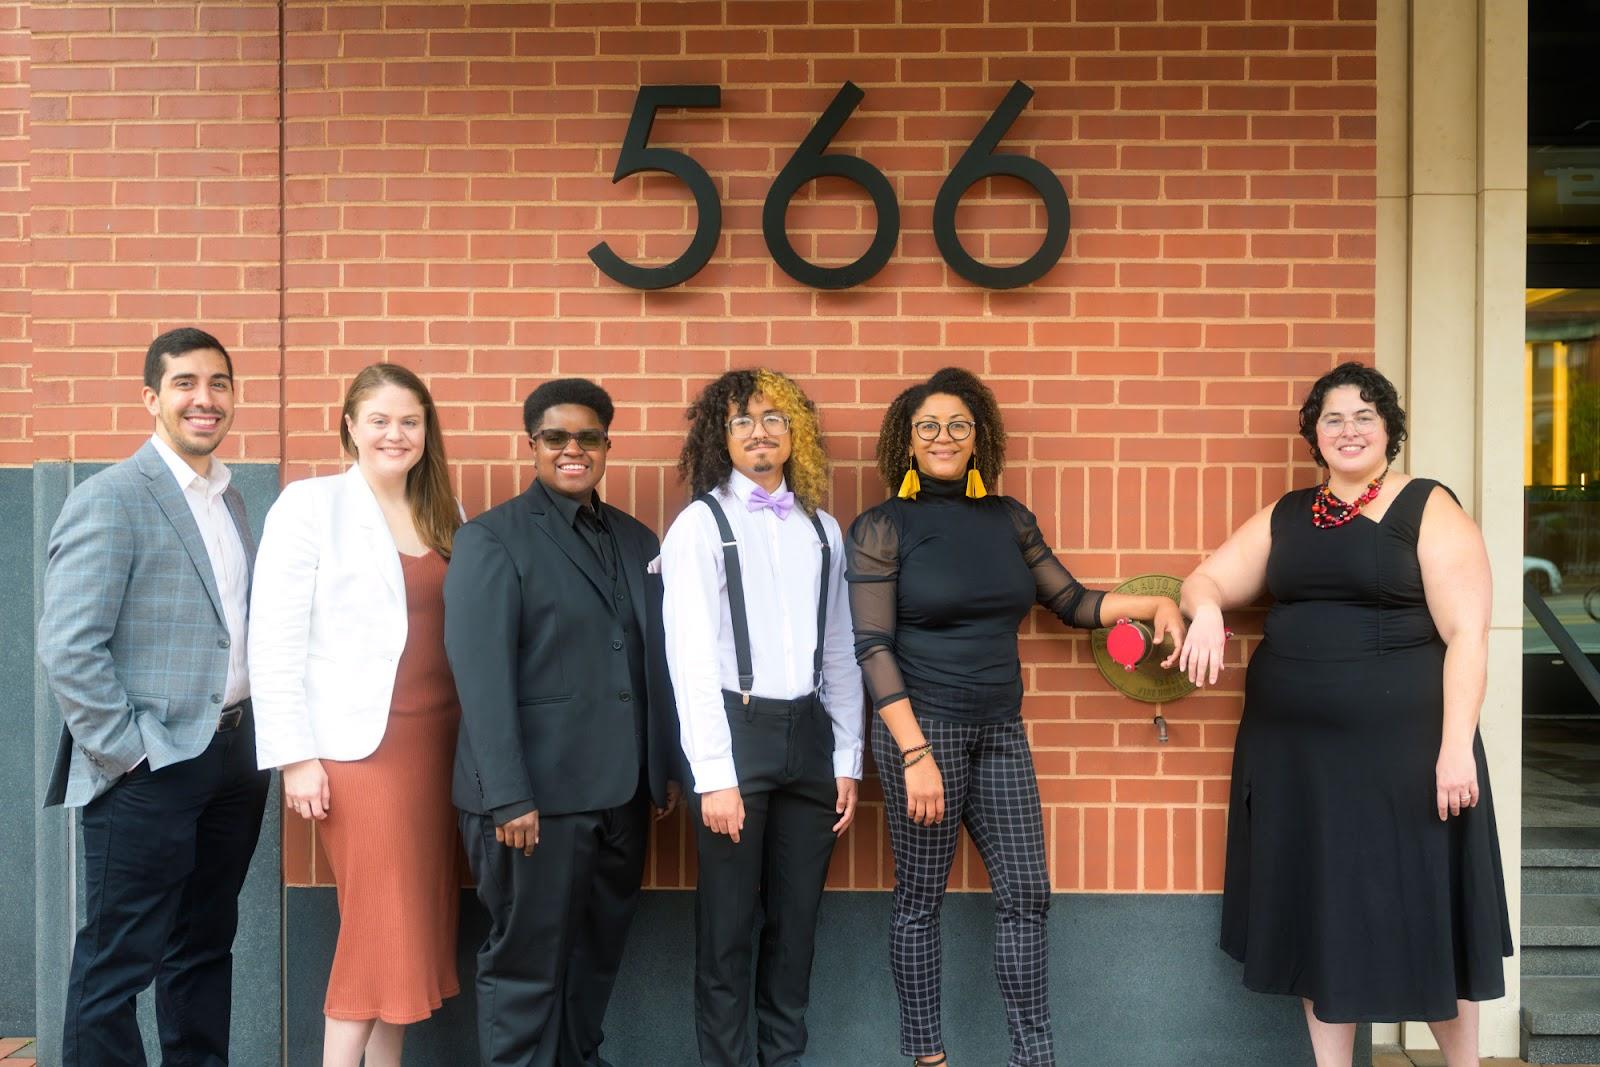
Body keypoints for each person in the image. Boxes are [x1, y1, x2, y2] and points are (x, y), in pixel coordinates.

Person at [847, 366, 1185, 1067]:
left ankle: (1033, 1058)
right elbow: (872, 645)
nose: (944, 437)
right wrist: (913, 753)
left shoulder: (1009, 518)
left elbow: (1073, 603)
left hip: (1000, 730)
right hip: (924, 731)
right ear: (907, 441)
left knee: (1028, 893)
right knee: (921, 900)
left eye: (959, 426)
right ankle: (927, 1056)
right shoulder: (883, 525)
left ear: (980, 439)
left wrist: (1152, 604)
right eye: (929, 426)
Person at [1178, 362, 1513, 1067]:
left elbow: (1468, 637)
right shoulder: (1290, 513)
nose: (1349, 429)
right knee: (1321, 907)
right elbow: (1205, 577)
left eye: (1365, 414)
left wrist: (1455, 748)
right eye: (1333, 417)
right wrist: (1205, 608)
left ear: (1390, 429)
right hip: (1299, 757)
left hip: (1407, 751)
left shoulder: (1428, 508)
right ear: (1314, 435)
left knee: (1428, 907)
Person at [39, 327, 270, 1066]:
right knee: (116, 965)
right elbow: (70, 644)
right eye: (185, 383)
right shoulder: (111, 498)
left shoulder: (232, 498)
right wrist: (129, 753)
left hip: (235, 759)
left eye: (219, 383)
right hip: (149, 766)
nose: (205, 398)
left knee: (203, 948)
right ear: (152, 398)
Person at [444, 378, 681, 1067]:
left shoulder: (637, 540)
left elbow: (652, 663)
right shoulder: (493, 539)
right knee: (528, 966)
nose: (573, 449)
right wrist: (509, 795)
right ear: (534, 445)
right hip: (534, 803)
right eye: (556, 437)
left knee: (594, 959)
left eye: (588, 437)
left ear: (607, 445)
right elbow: (480, 678)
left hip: (622, 798)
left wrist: (658, 768)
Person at [249, 363, 463, 1066]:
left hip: (437, 748)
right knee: (376, 931)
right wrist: (296, 755)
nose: (394, 434)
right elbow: (273, 638)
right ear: (349, 426)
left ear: (426, 430)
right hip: (360, 753)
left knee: (409, 935)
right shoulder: (310, 506)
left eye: (409, 420)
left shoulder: (441, 513)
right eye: (379, 420)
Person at [660, 368, 864, 1067]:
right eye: (743, 420)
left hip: (808, 736)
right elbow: (688, 657)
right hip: (734, 735)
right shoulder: (700, 524)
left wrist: (845, 758)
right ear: (721, 434)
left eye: (774, 418)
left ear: (795, 432)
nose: (759, 431)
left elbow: (839, 646)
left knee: (795, 925)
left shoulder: (822, 527)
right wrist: (713, 775)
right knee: (727, 930)